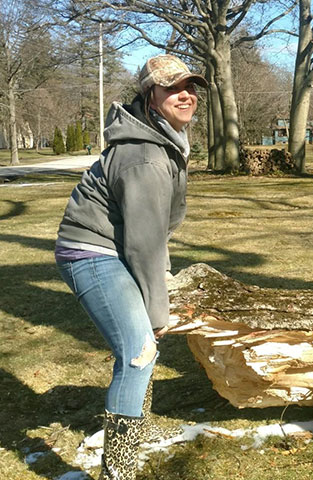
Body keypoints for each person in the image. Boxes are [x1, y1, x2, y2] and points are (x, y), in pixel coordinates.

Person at [55, 54, 207, 480]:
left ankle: (135, 428)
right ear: (150, 95)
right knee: (138, 352)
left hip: (115, 247)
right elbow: (143, 244)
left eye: (190, 87)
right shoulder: (146, 157)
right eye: (173, 88)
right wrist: (158, 309)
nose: (186, 95)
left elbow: (153, 232)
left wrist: (159, 280)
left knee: (143, 347)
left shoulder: (165, 138)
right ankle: (118, 471)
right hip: (90, 252)